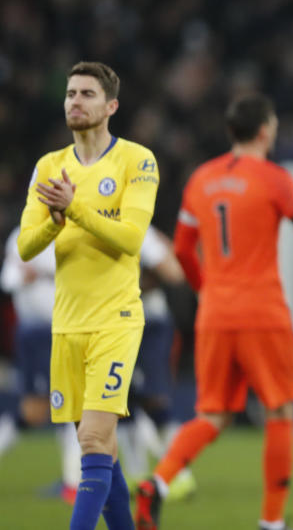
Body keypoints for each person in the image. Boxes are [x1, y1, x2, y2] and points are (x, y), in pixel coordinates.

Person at [134, 93, 293, 530]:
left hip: (214, 313)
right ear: (266, 131)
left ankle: (157, 484)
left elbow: (181, 249)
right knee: (280, 410)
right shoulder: (275, 179)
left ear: (231, 131)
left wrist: (207, 289)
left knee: (212, 415)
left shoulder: (201, 179)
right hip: (261, 312)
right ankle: (271, 522)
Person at [17, 61, 159, 530]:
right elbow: (25, 246)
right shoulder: (49, 166)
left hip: (116, 319)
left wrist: (73, 207)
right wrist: (55, 221)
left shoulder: (137, 160)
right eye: (70, 93)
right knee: (100, 446)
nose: (75, 101)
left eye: (87, 94)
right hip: (67, 323)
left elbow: (132, 238)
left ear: (110, 107)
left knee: (95, 440)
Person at [0, 226, 82, 504]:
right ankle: (72, 480)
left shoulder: (71, 229)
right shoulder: (22, 233)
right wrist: (36, 275)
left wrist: (41, 273)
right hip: (33, 333)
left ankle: (72, 481)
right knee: (34, 410)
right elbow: (9, 280)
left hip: (64, 329)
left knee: (69, 403)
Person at [117, 225, 196, 499]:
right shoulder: (96, 220)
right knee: (121, 400)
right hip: (116, 323)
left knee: (153, 401)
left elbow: (173, 272)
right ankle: (135, 475)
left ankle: (179, 474)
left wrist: (129, 279)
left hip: (147, 322)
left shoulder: (136, 226)